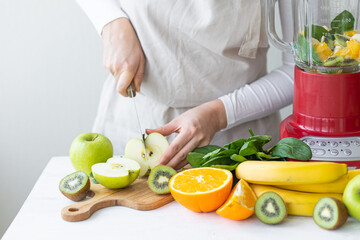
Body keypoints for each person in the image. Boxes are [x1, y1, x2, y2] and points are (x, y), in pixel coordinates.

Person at [76, 0, 294, 170]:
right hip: (135, 122)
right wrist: (111, 22)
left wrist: (219, 114)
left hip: (239, 140)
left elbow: (300, 70)